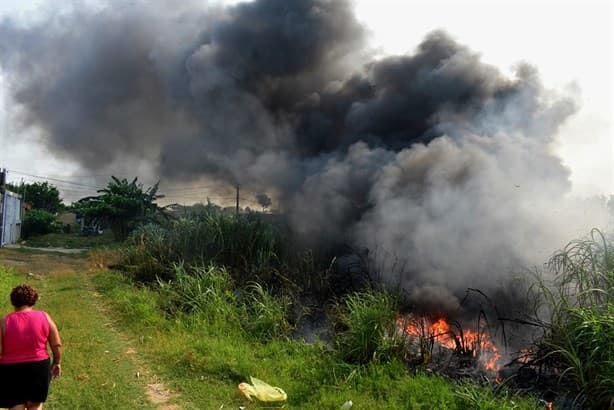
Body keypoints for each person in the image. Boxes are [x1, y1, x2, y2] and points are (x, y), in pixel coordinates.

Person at [0, 284, 62, 410]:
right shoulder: (44, 316)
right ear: (33, 300)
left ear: (13, 301)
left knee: (15, 404)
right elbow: (56, 344)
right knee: (35, 404)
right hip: (38, 367)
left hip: (11, 369)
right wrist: (57, 362)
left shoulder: (4, 321)